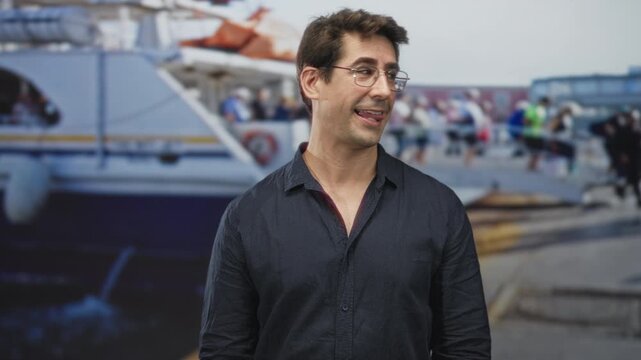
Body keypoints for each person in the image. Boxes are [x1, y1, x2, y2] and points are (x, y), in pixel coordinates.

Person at [199, 8, 490, 360]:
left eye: (391, 74)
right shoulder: (247, 217)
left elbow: (465, 348)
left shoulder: (439, 209)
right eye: (364, 71)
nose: (384, 90)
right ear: (312, 82)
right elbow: (224, 350)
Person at [522, 96, 551, 171]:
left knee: (537, 151)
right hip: (532, 134)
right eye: (547, 104)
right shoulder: (534, 108)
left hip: (538, 133)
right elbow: (527, 120)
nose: (548, 106)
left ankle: (533, 165)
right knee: (535, 151)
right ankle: (532, 166)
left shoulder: (542, 110)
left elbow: (540, 122)